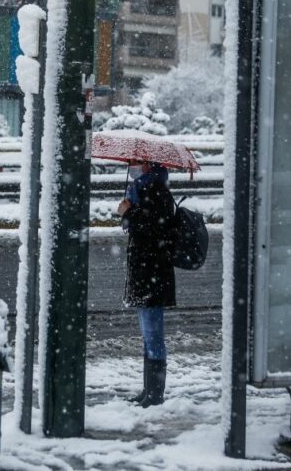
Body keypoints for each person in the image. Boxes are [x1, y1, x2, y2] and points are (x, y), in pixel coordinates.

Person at [117, 160, 176, 408]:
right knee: (147, 334)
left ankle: (155, 394)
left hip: (152, 271)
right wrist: (128, 212)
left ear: (149, 165)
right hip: (146, 271)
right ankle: (148, 390)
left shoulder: (156, 190)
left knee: (153, 334)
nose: (132, 165)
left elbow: (154, 228)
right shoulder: (143, 188)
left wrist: (128, 213)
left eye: (137, 162)